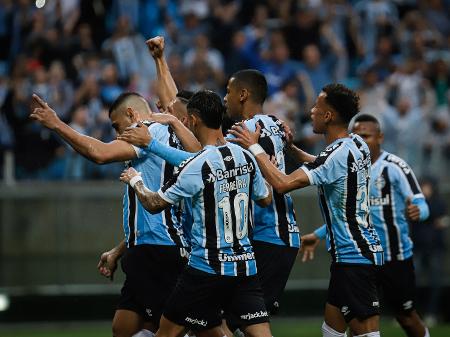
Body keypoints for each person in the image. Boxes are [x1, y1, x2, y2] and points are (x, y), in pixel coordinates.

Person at [120, 60, 300, 325]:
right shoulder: (267, 129)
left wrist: (150, 147)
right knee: (225, 326)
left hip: (235, 250)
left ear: (243, 94)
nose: (225, 97)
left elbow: (197, 163)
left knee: (192, 326)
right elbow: (264, 193)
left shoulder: (240, 136)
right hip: (250, 251)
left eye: (228, 90)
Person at [29, 92, 199, 337]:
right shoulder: (163, 136)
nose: (118, 135)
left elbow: (100, 153)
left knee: (170, 330)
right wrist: (119, 250)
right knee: (124, 328)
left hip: (160, 251)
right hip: (145, 248)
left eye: (118, 126)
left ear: (131, 114)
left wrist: (57, 124)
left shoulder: (149, 130)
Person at [229, 84, 383, 337]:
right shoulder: (355, 144)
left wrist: (255, 148)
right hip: (353, 253)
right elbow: (321, 163)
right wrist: (290, 148)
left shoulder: (335, 154)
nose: (311, 111)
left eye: (316, 107)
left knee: (366, 332)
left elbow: (282, 184)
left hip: (355, 254)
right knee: (331, 329)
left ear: (328, 116)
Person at [303, 114, 431, 337]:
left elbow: (420, 201)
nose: (361, 139)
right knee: (357, 321)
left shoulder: (395, 166)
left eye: (366, 135)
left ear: (380, 137)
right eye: (357, 134)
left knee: (406, 318)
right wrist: (319, 234)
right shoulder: (351, 165)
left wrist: (419, 210)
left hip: (395, 258)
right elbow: (350, 215)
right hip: (364, 257)